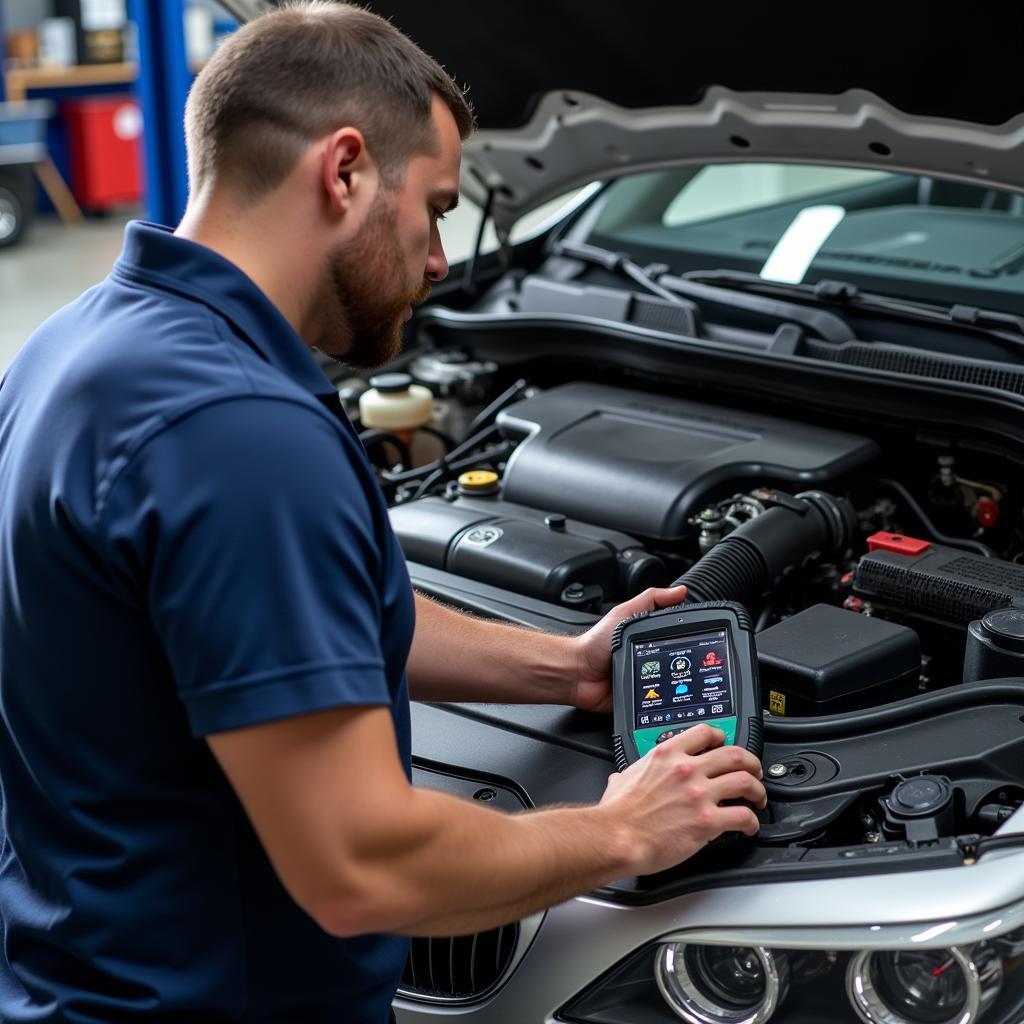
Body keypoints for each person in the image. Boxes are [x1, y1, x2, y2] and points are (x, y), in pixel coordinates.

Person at [0, 3, 766, 1022]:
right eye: (438, 207)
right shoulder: (238, 433)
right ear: (346, 169)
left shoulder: (78, 347)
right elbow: (361, 865)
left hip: (72, 966)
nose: (442, 259)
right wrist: (624, 827)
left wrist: (565, 666)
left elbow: (298, 618)